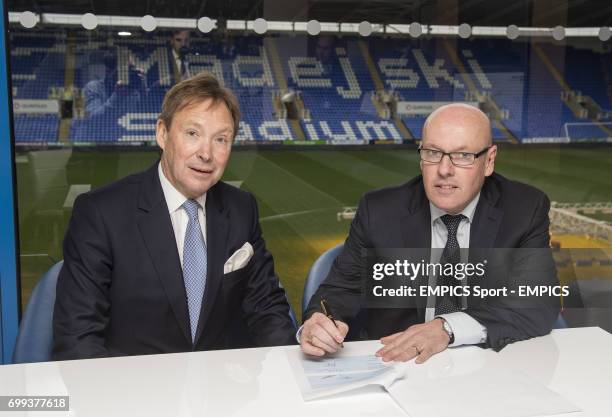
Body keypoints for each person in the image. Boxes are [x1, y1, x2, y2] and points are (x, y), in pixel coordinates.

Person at [53, 72, 297, 360]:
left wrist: (292, 376)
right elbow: (77, 339)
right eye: (192, 134)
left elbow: (267, 308)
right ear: (162, 133)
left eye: (221, 139)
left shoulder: (242, 208)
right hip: (133, 394)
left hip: (223, 392)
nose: (206, 153)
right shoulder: (100, 214)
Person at [300, 103, 559, 363]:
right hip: (398, 365)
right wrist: (318, 322)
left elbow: (537, 304)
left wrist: (447, 327)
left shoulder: (525, 210)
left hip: (488, 366)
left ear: (489, 160)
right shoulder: (379, 211)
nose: (444, 170)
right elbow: (339, 290)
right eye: (433, 152)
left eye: (463, 155)